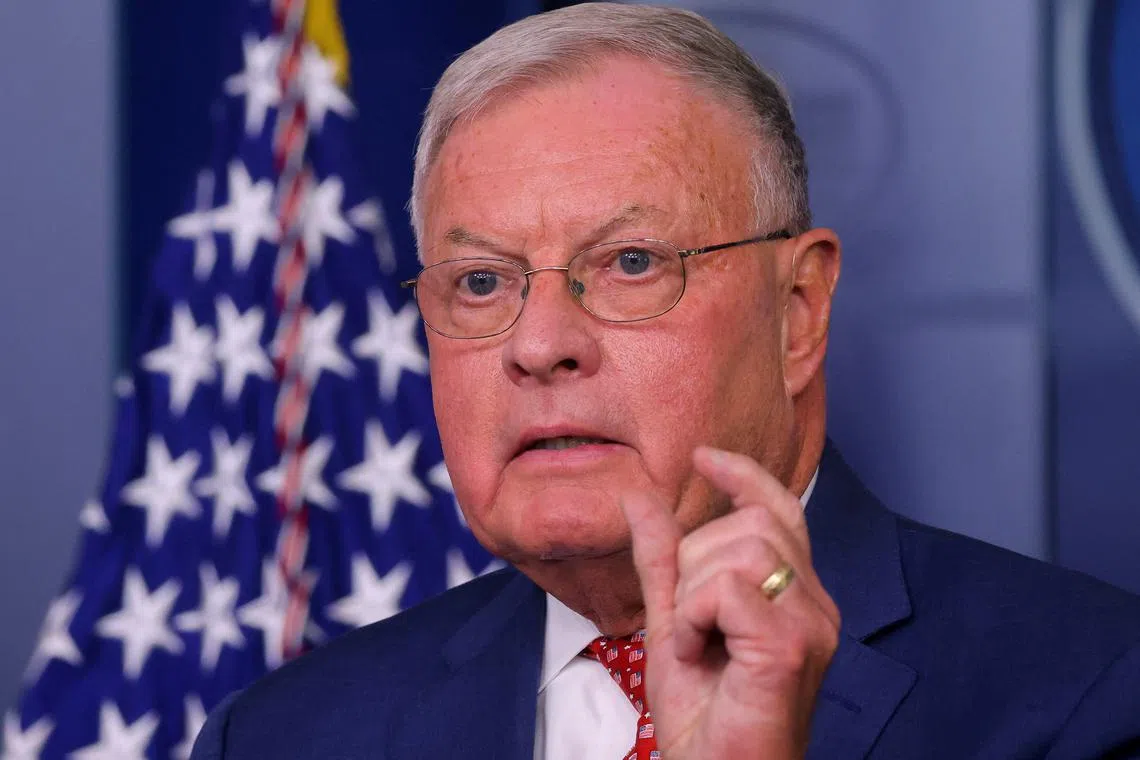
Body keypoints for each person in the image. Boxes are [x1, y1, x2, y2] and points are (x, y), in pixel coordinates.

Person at [192, 4, 1140, 758]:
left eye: (632, 263)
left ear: (798, 310)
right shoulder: (283, 737)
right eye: (481, 282)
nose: (541, 345)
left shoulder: (1090, 695)